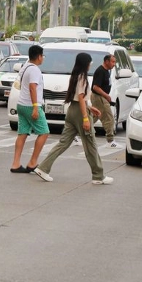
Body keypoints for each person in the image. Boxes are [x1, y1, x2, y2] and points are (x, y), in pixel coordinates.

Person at [33, 52, 112, 185]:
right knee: (90, 144)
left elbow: (79, 98)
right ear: (85, 63)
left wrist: (90, 107)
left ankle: (43, 168)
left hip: (72, 111)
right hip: (80, 113)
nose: (91, 64)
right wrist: (86, 118)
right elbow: (80, 97)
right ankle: (98, 176)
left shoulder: (75, 75)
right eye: (90, 62)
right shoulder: (82, 77)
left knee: (63, 142)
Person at [10, 45, 49, 173]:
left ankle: (15, 163)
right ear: (39, 56)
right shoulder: (35, 70)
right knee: (44, 132)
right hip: (30, 105)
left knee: (23, 133)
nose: (43, 58)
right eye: (42, 56)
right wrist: (35, 107)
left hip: (21, 104)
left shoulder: (25, 67)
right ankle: (33, 162)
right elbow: (33, 87)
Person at [91, 54, 118, 148]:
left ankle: (77, 133)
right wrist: (106, 95)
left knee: (94, 116)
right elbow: (95, 87)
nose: (114, 64)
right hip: (99, 97)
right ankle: (110, 140)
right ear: (106, 61)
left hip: (101, 97)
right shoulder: (101, 71)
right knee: (109, 118)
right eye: (112, 62)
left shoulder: (107, 71)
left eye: (115, 62)